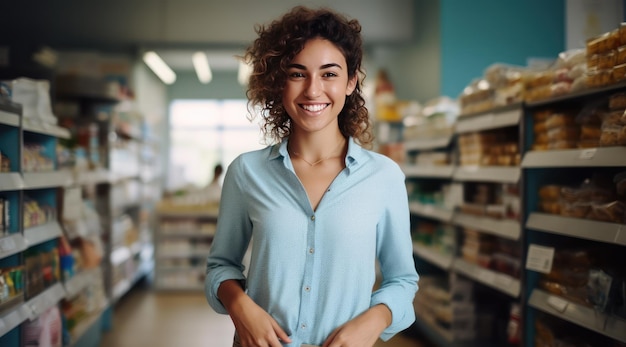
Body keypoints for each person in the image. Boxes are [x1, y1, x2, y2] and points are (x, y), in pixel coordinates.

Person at [205, 6, 419, 347]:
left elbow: (403, 280)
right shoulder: (246, 172)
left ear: (351, 82)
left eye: (329, 74)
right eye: (297, 73)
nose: (313, 91)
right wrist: (240, 306)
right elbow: (220, 266)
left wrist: (373, 320)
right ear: (279, 82)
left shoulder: (384, 177)